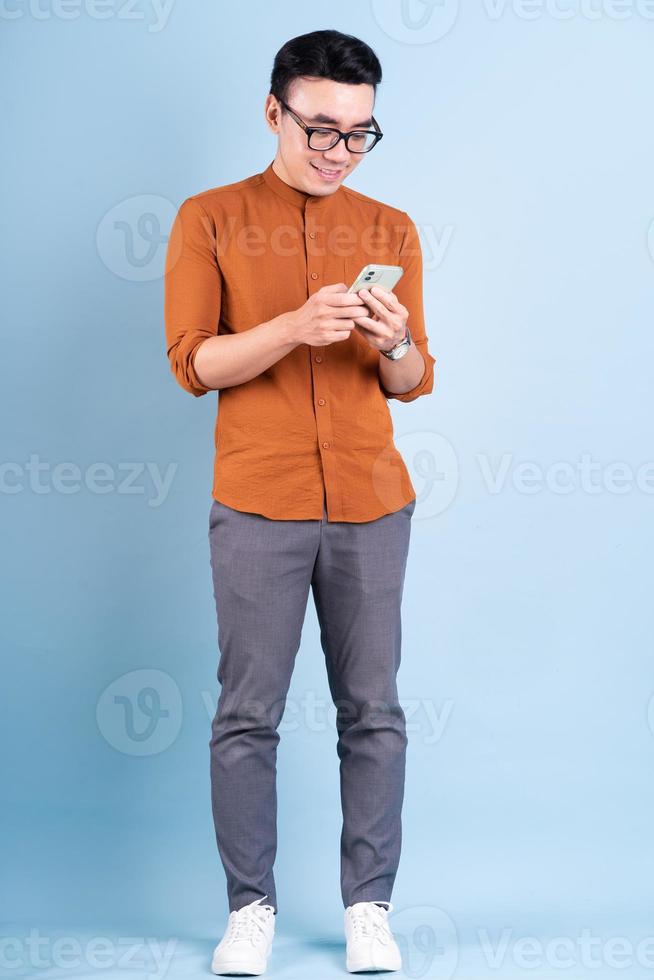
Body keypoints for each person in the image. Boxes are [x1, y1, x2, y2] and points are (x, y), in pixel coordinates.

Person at [164, 28, 436, 976]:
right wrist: (289, 328)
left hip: (371, 500)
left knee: (375, 711)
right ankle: (251, 908)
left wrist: (394, 340)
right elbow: (193, 362)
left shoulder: (391, 227)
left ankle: (370, 906)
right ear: (272, 111)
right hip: (259, 501)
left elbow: (410, 382)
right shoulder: (209, 216)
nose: (337, 150)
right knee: (248, 714)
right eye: (320, 127)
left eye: (359, 132)